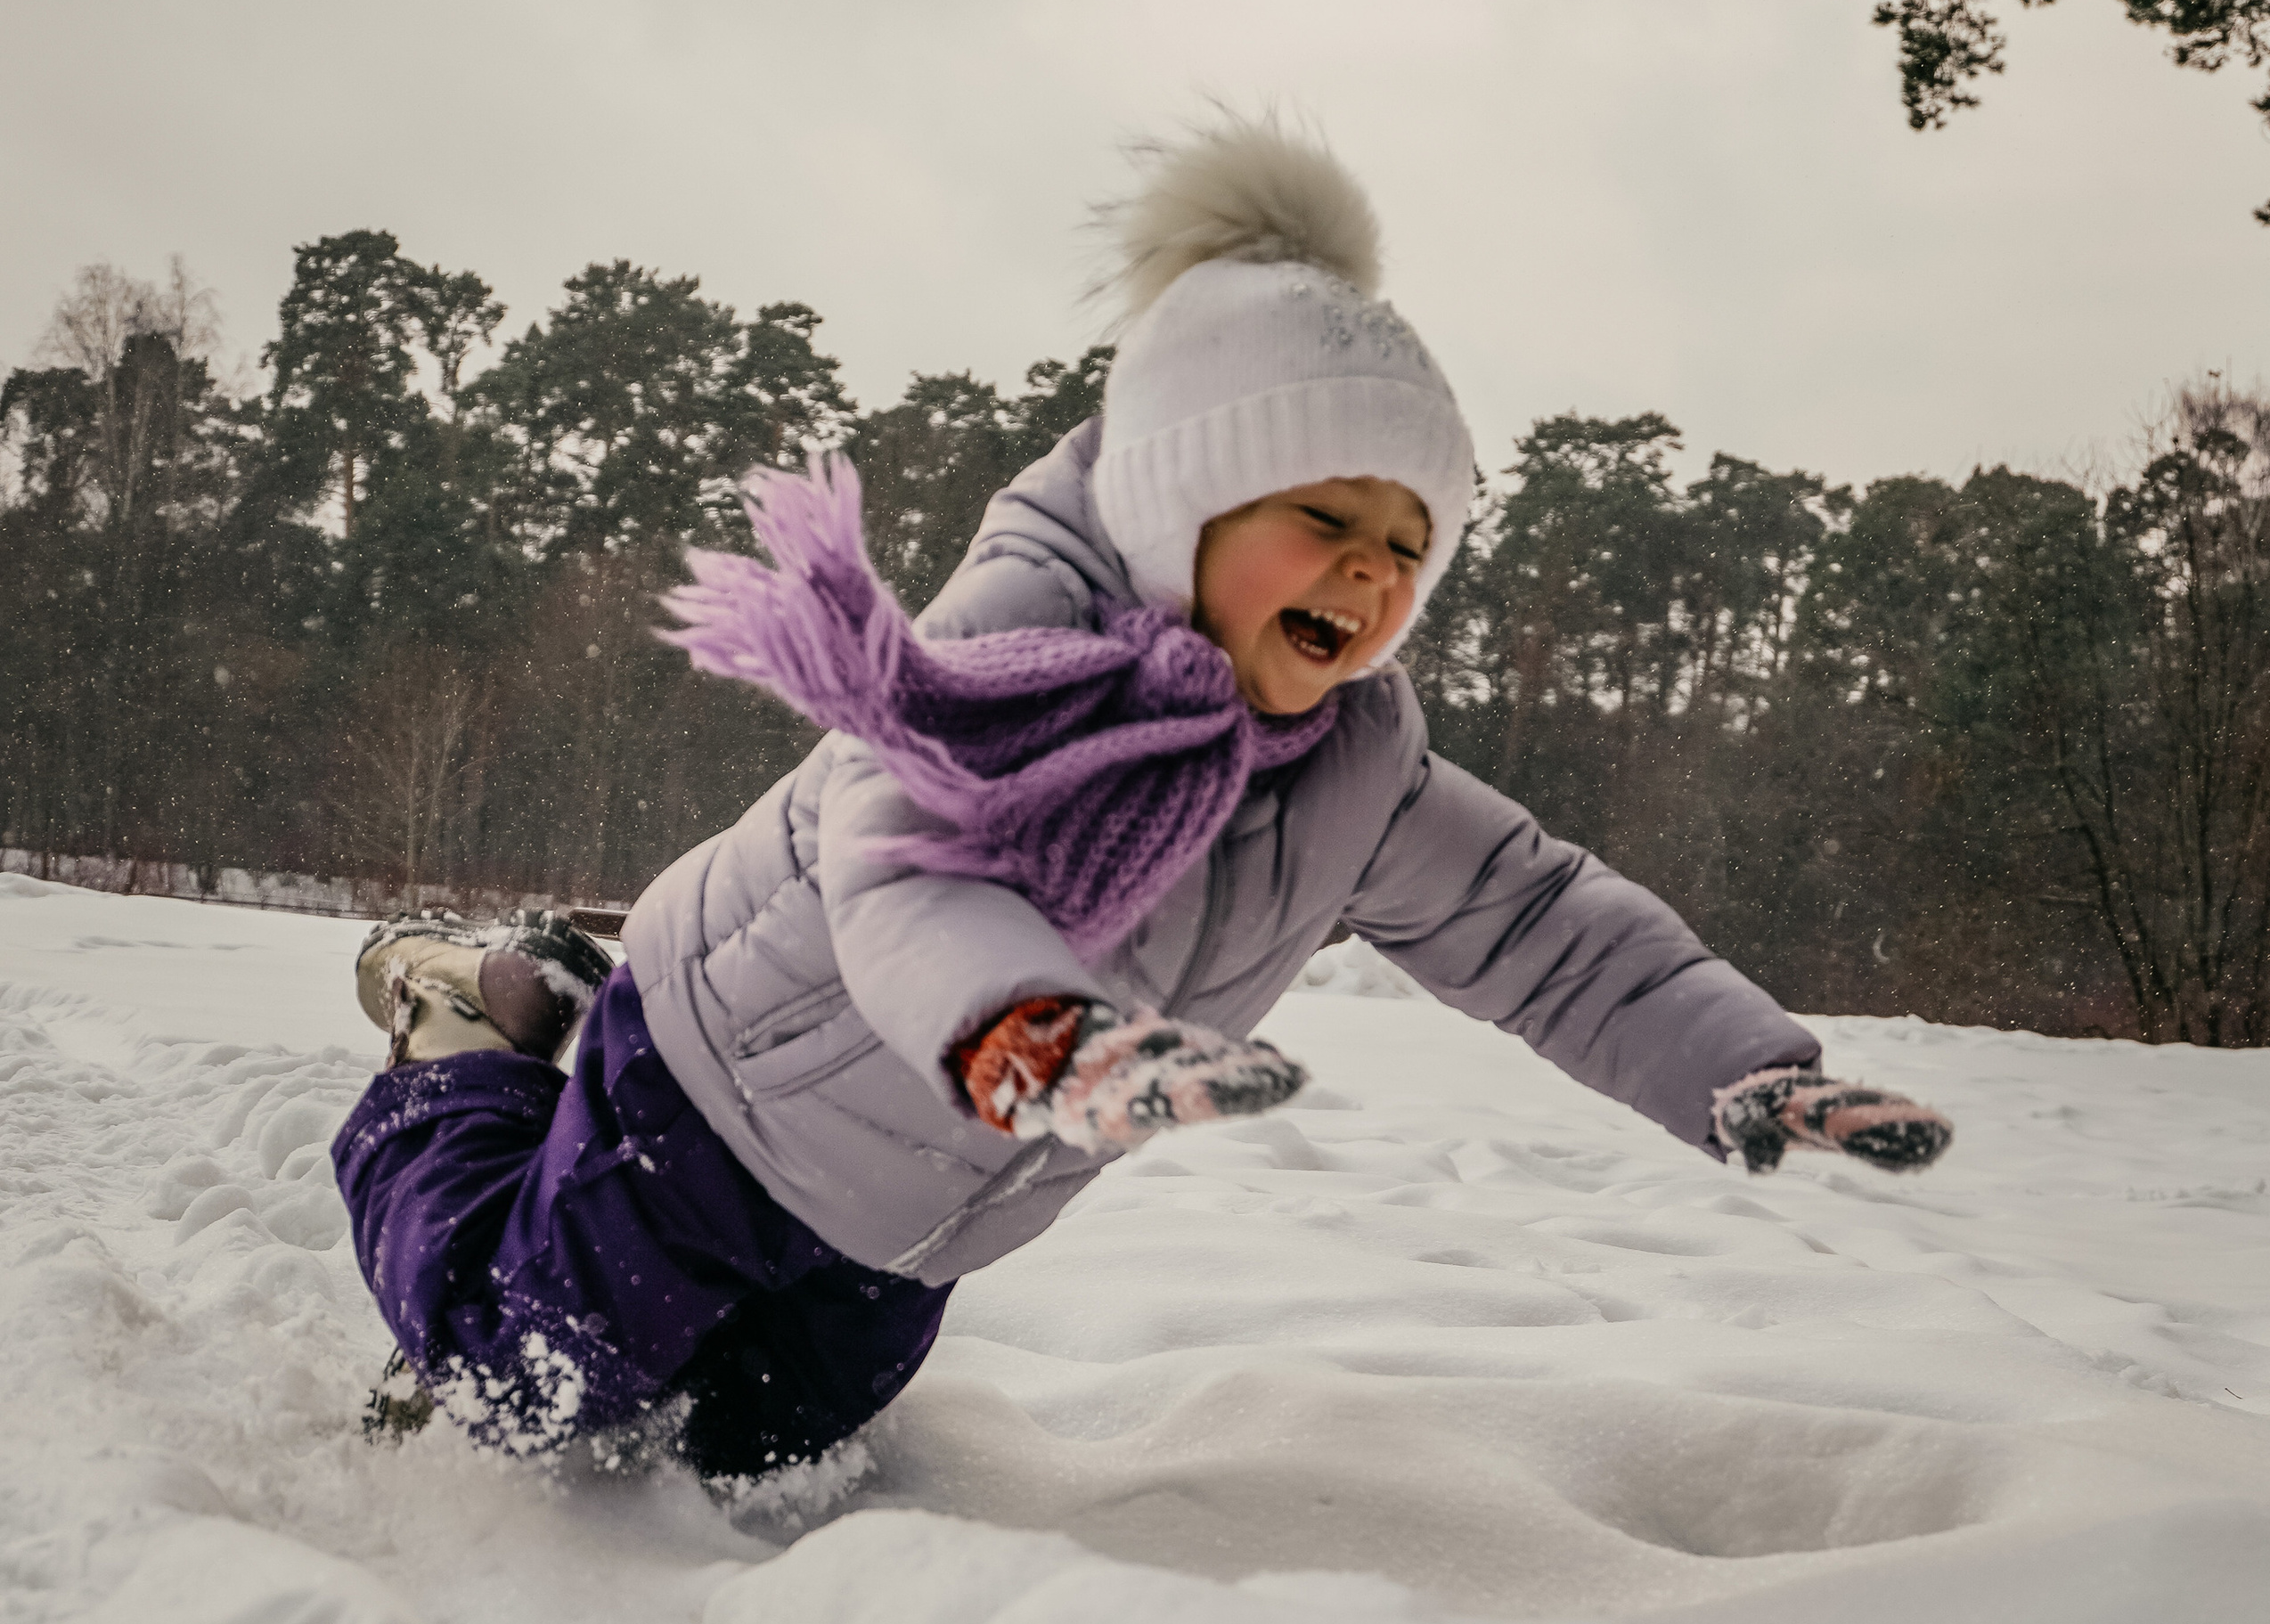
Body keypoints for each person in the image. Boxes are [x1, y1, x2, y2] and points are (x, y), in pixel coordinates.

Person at [333, 118, 1952, 1480]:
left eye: (1408, 546)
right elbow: (903, 871)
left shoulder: (1356, 771)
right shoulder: (1023, 640)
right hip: (721, 1093)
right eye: (1323, 514)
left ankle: (569, 1032)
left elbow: (1543, 927)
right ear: (1186, 497)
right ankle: (470, 1044)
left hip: (927, 1220)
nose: (1369, 574)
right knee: (526, 1384)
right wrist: (1027, 1037)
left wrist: (1747, 1065)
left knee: (755, 1461)